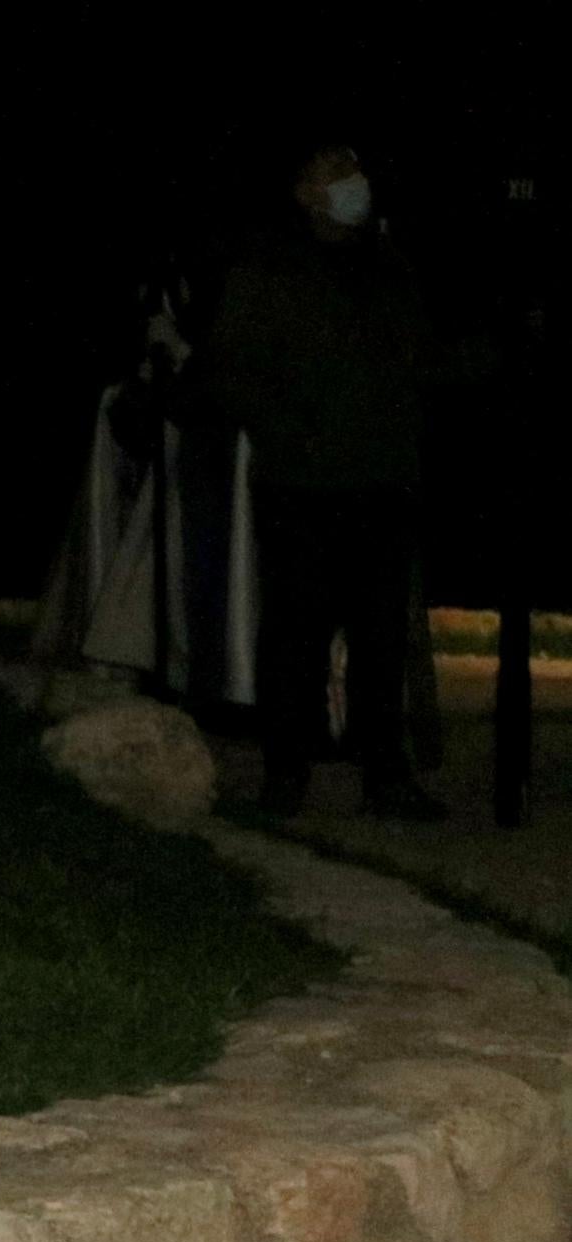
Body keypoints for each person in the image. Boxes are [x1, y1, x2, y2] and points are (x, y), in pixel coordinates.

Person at [200, 142, 443, 820]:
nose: (352, 183)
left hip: (381, 484)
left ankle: (385, 774)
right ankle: (285, 773)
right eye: (335, 173)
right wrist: (289, 431)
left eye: (355, 169)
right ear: (304, 192)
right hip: (301, 487)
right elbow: (229, 369)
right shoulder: (269, 268)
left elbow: (420, 359)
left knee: (379, 638)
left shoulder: (387, 266)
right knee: (293, 635)